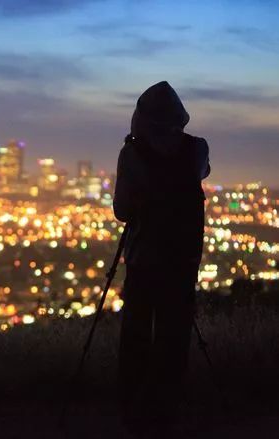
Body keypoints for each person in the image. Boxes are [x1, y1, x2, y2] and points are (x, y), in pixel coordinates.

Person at [113, 81, 210, 435]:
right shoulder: (197, 150)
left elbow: (123, 211)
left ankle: (132, 407)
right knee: (174, 336)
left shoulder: (133, 154)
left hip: (144, 258)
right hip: (183, 257)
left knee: (136, 332)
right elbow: (201, 173)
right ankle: (165, 409)